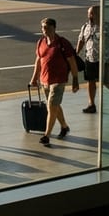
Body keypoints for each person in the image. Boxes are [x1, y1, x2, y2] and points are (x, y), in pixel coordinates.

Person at [30, 17, 80, 145]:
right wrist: (34, 78)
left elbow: (72, 61)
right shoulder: (41, 42)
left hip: (59, 80)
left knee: (51, 106)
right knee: (54, 106)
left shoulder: (62, 43)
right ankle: (64, 126)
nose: (44, 30)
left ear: (54, 28)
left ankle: (46, 135)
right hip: (45, 80)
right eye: (42, 27)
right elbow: (38, 61)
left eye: (47, 27)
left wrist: (75, 79)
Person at [77, 5, 109, 113]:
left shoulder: (107, 26)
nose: (90, 15)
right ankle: (91, 104)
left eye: (92, 13)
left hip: (104, 59)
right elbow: (81, 40)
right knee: (90, 81)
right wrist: (76, 53)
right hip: (90, 58)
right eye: (89, 13)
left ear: (99, 14)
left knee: (106, 81)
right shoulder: (85, 27)